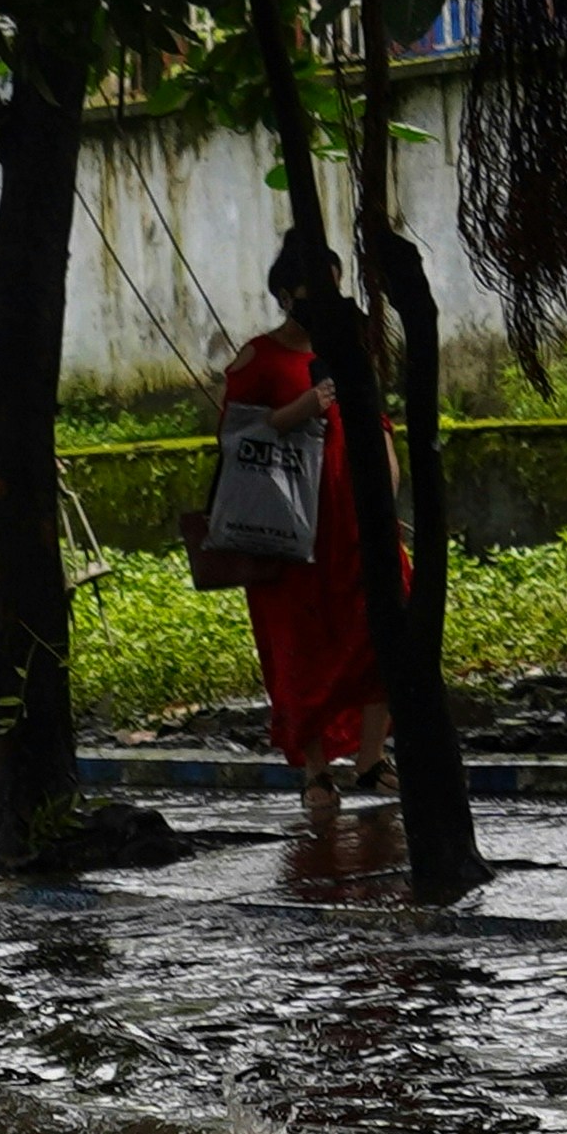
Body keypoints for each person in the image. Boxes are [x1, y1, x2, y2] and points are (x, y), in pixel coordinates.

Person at [220, 247, 384, 810]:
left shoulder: (347, 350)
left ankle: (371, 758)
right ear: (287, 297)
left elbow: (377, 423)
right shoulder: (257, 358)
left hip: (353, 517)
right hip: (288, 527)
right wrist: (303, 407)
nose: (329, 304)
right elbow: (237, 439)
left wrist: (384, 499)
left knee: (381, 624)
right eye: (318, 293)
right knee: (298, 644)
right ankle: (316, 770)